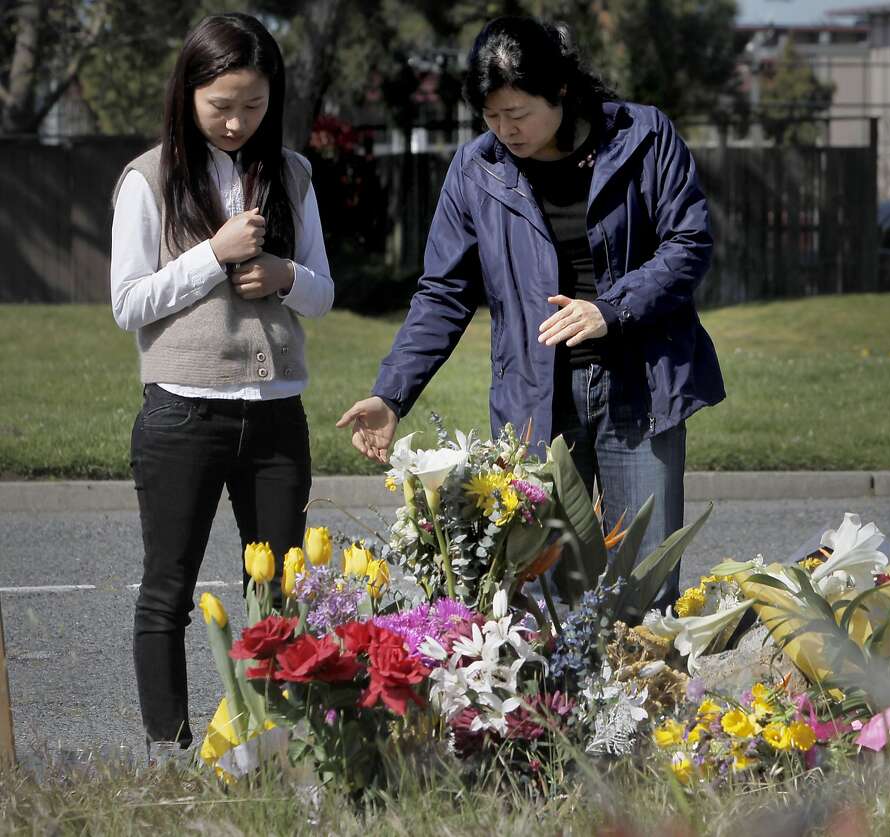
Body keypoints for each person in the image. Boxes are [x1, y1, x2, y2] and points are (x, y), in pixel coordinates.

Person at [337, 16, 723, 608]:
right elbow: (443, 292)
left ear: (560, 90)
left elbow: (688, 242)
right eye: (491, 117)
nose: (505, 130)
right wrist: (391, 395)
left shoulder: (644, 136)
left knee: (642, 590)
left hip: (640, 389)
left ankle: (643, 696)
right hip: (535, 400)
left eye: (517, 114)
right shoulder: (476, 170)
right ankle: (558, 705)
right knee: (542, 591)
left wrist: (611, 310)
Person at [109, 12, 334, 759]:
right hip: (180, 413)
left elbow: (324, 293)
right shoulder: (149, 178)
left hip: (276, 417)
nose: (237, 122)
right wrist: (214, 253)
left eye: (254, 105)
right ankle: (166, 753)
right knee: (166, 592)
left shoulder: (293, 174)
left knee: (280, 595)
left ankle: (276, 746)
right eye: (221, 106)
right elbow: (128, 302)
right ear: (188, 93)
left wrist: (283, 276)